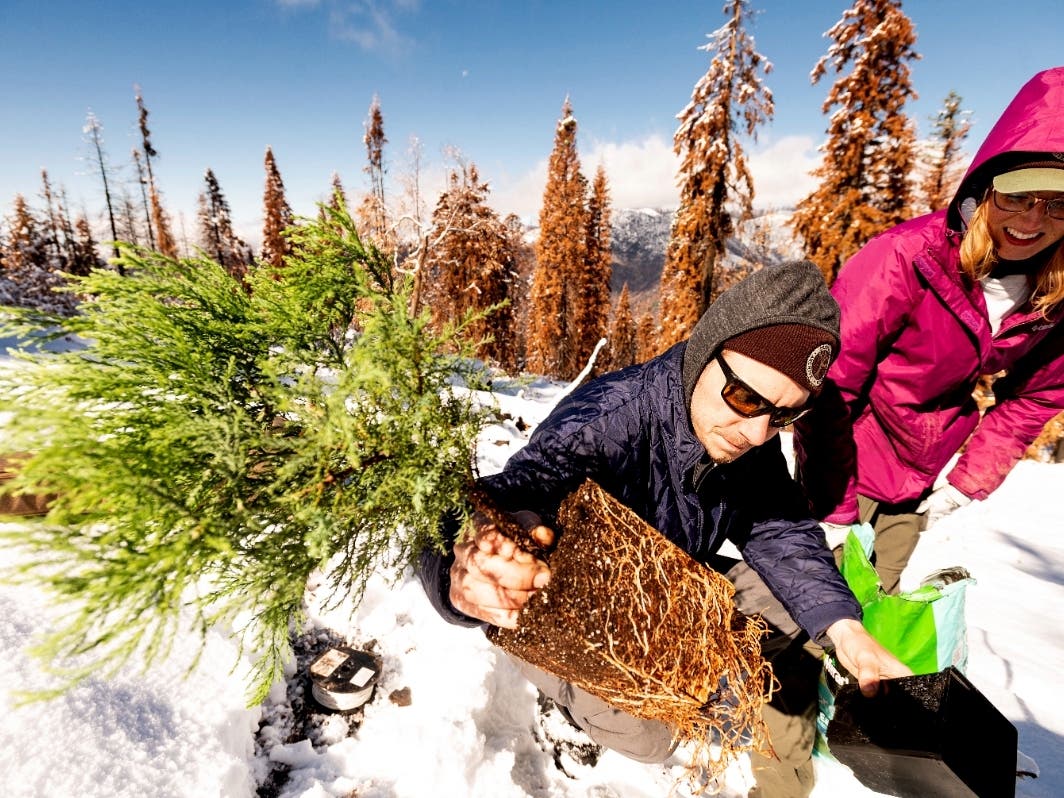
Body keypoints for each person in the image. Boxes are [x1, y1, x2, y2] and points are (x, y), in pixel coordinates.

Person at [418, 260, 909, 798]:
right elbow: (509, 495)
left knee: (792, 609)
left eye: (784, 416)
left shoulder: (749, 434)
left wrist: (844, 627)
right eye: (746, 399)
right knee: (654, 740)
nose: (756, 432)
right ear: (707, 350)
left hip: (661, 580)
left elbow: (779, 528)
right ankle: (567, 702)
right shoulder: (609, 420)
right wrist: (460, 563)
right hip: (571, 614)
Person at [794, 67, 1064, 595]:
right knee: (792, 612)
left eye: (1057, 202)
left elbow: (1036, 396)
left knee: (869, 615)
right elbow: (832, 381)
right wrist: (833, 502)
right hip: (844, 464)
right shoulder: (907, 258)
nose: (1033, 220)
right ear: (985, 190)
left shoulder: (1055, 291)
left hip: (916, 485)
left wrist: (967, 485)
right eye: (1016, 196)